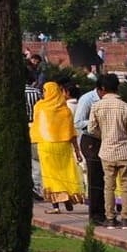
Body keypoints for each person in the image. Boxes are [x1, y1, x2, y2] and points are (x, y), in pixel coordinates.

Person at [86, 74, 127, 228]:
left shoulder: (97, 106)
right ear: (117, 88)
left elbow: (91, 129)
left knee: (108, 186)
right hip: (124, 151)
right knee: (126, 186)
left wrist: (105, 135)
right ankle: (126, 218)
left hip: (106, 151)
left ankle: (110, 218)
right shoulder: (126, 107)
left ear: (103, 89)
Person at [29, 80, 84, 213]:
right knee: (65, 172)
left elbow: (37, 126)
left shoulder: (40, 107)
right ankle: (67, 197)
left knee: (50, 175)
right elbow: (72, 133)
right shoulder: (64, 110)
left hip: (46, 145)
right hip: (63, 145)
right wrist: (77, 151)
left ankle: (56, 206)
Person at [74, 78, 108, 225]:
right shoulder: (87, 99)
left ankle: (106, 212)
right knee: (95, 178)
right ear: (101, 89)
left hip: (106, 139)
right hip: (91, 140)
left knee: (107, 178)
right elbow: (78, 122)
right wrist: (97, 123)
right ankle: (96, 215)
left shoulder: (111, 100)